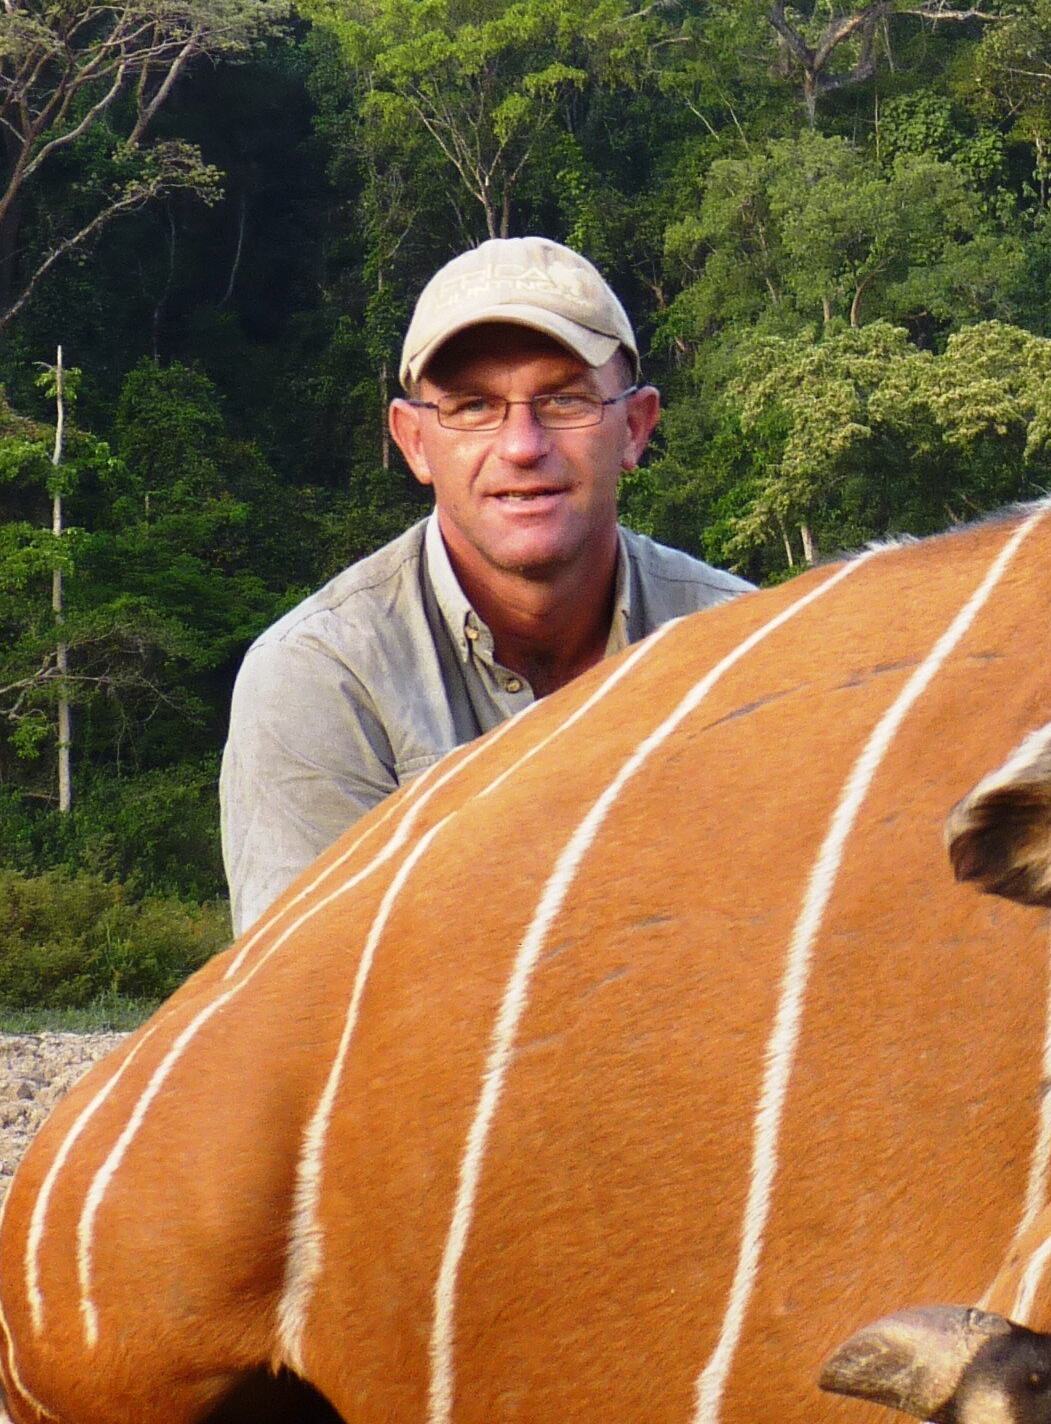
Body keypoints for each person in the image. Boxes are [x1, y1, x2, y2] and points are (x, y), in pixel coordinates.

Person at [220, 236, 748, 928]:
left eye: (564, 401)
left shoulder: (741, 647)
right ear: (413, 442)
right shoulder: (324, 678)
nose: (523, 446)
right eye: (473, 406)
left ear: (635, 428)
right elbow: (302, 1002)